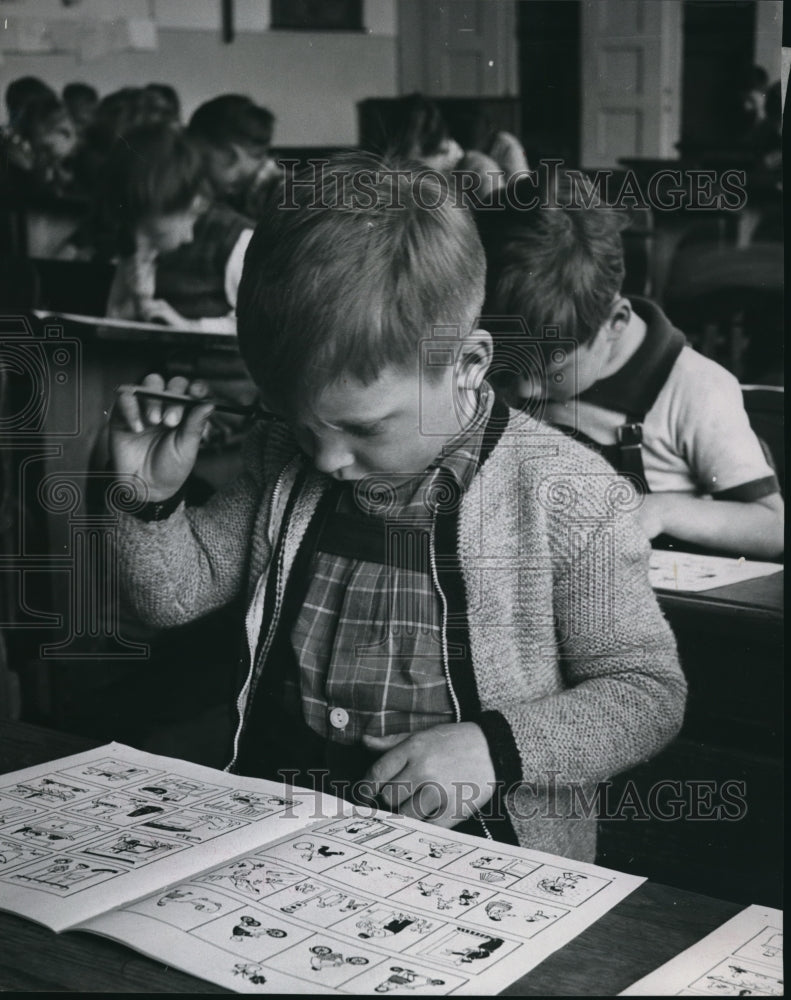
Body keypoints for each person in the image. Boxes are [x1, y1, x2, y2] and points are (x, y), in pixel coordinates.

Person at [109, 154, 685, 863]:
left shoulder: (567, 494)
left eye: (362, 428)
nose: (324, 461)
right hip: (284, 833)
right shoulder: (283, 456)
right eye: (301, 422)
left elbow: (645, 692)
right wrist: (147, 498)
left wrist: (493, 750)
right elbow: (172, 599)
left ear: (469, 363)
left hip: (485, 859)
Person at [477, 167, 784, 559]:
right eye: (510, 365)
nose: (522, 389)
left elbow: (773, 526)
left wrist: (661, 510)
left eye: (546, 369)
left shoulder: (693, 388)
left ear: (615, 322)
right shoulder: (516, 357)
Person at [92, 121, 254, 332]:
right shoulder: (134, 236)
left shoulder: (235, 240)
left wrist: (192, 327)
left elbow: (265, 324)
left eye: (152, 235)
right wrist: (131, 304)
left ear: (191, 206)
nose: (137, 243)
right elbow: (111, 319)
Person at [188, 94, 281, 219]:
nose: (195, 169)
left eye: (203, 159)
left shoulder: (285, 197)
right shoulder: (240, 195)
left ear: (230, 155)